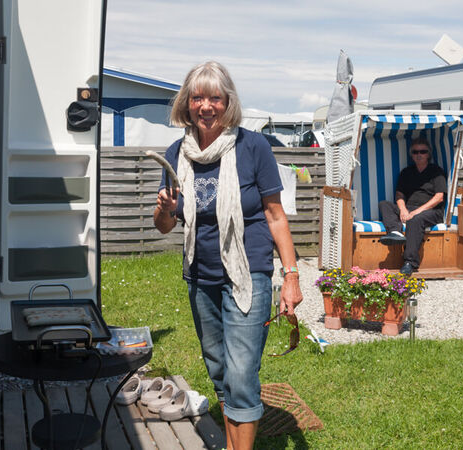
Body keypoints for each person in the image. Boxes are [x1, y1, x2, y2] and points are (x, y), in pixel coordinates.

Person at [154, 61, 303, 450]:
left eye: (214, 97)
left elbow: (275, 215)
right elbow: (166, 225)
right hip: (200, 276)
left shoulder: (252, 147)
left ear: (227, 103)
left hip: (246, 273)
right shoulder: (177, 153)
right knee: (219, 368)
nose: (206, 106)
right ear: (186, 104)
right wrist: (165, 207)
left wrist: (291, 276)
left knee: (240, 373)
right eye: (197, 97)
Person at [378, 137, 447, 275]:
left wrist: (416, 212)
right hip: (409, 208)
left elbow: (439, 197)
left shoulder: (436, 172)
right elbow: (399, 195)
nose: (419, 154)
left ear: (428, 154)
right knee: (384, 204)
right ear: (412, 155)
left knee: (415, 220)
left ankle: (410, 262)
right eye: (415, 152)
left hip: (431, 210)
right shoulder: (406, 172)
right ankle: (395, 232)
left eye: (423, 151)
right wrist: (403, 210)